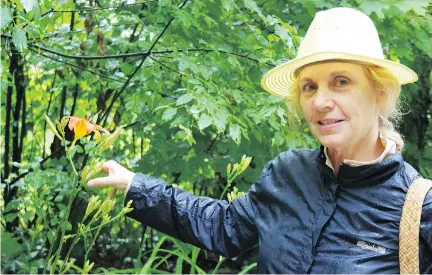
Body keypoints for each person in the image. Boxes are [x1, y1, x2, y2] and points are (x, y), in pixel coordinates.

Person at [87, 7, 432, 273]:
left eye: (341, 81)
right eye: (310, 86)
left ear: (379, 92)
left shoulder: (417, 208)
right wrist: (136, 185)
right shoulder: (287, 174)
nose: (320, 101)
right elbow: (222, 226)